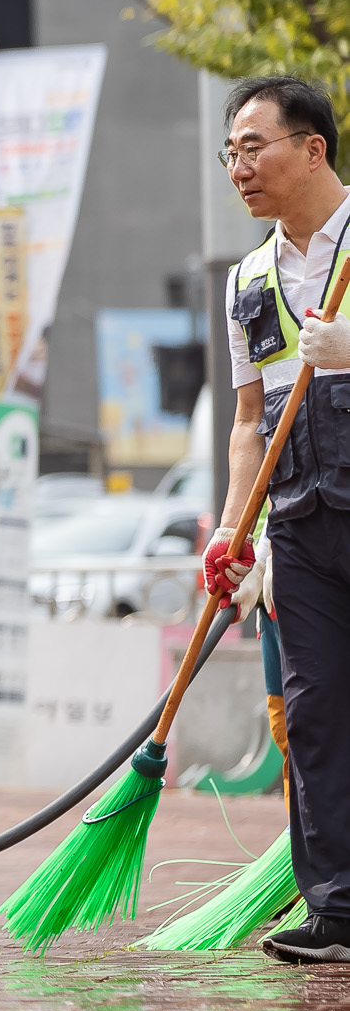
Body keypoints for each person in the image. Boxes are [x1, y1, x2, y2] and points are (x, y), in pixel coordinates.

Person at [201, 74, 350, 965]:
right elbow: (250, 419)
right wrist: (231, 529)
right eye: (230, 154)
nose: (239, 168)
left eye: (253, 148)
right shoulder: (248, 280)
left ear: (313, 148)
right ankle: (335, 909)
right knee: (315, 710)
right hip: (298, 523)